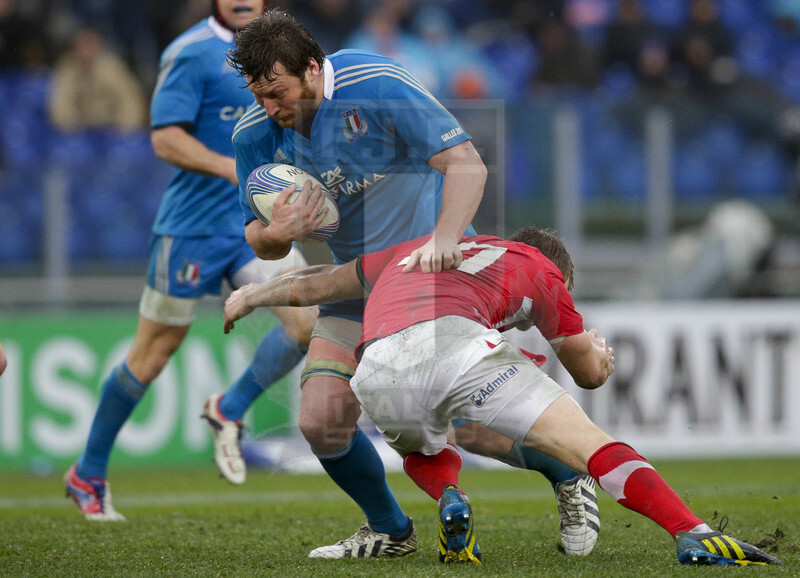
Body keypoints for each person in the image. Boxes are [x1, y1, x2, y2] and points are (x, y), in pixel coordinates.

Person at [216, 8, 600, 558]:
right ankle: (390, 531)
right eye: (259, 95)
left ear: (311, 67)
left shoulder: (375, 84)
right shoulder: (255, 134)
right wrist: (279, 231)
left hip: (431, 279)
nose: (270, 107)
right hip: (352, 285)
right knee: (321, 420)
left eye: (278, 91)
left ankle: (568, 474)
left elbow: (466, 164)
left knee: (469, 426)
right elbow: (257, 238)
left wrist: (445, 238)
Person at [222, 226, 783, 567]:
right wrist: (602, 359)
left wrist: (252, 294)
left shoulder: (423, 247)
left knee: (425, 444)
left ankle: (450, 500)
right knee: (591, 444)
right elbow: (586, 373)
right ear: (558, 270)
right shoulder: (542, 271)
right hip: (458, 343)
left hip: (374, 365)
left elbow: (321, 281)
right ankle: (693, 534)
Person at [63, 0, 317, 521]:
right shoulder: (191, 52)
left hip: (258, 226)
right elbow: (164, 138)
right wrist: (235, 168)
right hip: (192, 227)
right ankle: (87, 471)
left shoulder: (288, 49)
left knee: (307, 321)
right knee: (153, 354)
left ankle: (229, 409)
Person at [48, 26, 147, 132]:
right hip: (81, 129)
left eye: (89, 44)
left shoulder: (112, 67)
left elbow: (130, 98)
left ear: (98, 46)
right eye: (81, 45)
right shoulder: (66, 69)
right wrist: (69, 124)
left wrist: (125, 124)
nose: (85, 50)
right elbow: (60, 104)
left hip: (112, 128)